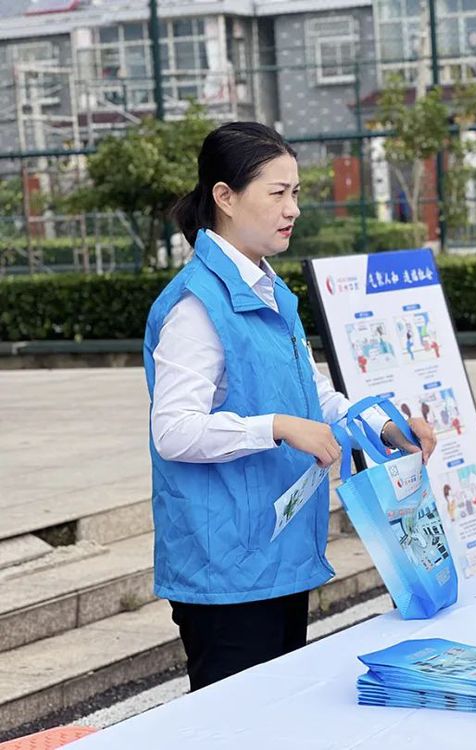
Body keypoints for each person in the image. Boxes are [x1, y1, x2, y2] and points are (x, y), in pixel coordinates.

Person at [143, 122, 437, 692]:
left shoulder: (269, 290)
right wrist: (276, 427)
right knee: (238, 724)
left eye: (295, 192)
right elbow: (173, 430)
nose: (293, 209)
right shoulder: (195, 305)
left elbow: (314, 395)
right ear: (225, 197)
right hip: (225, 569)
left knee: (277, 717)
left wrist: (388, 428)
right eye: (277, 193)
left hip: (278, 553)